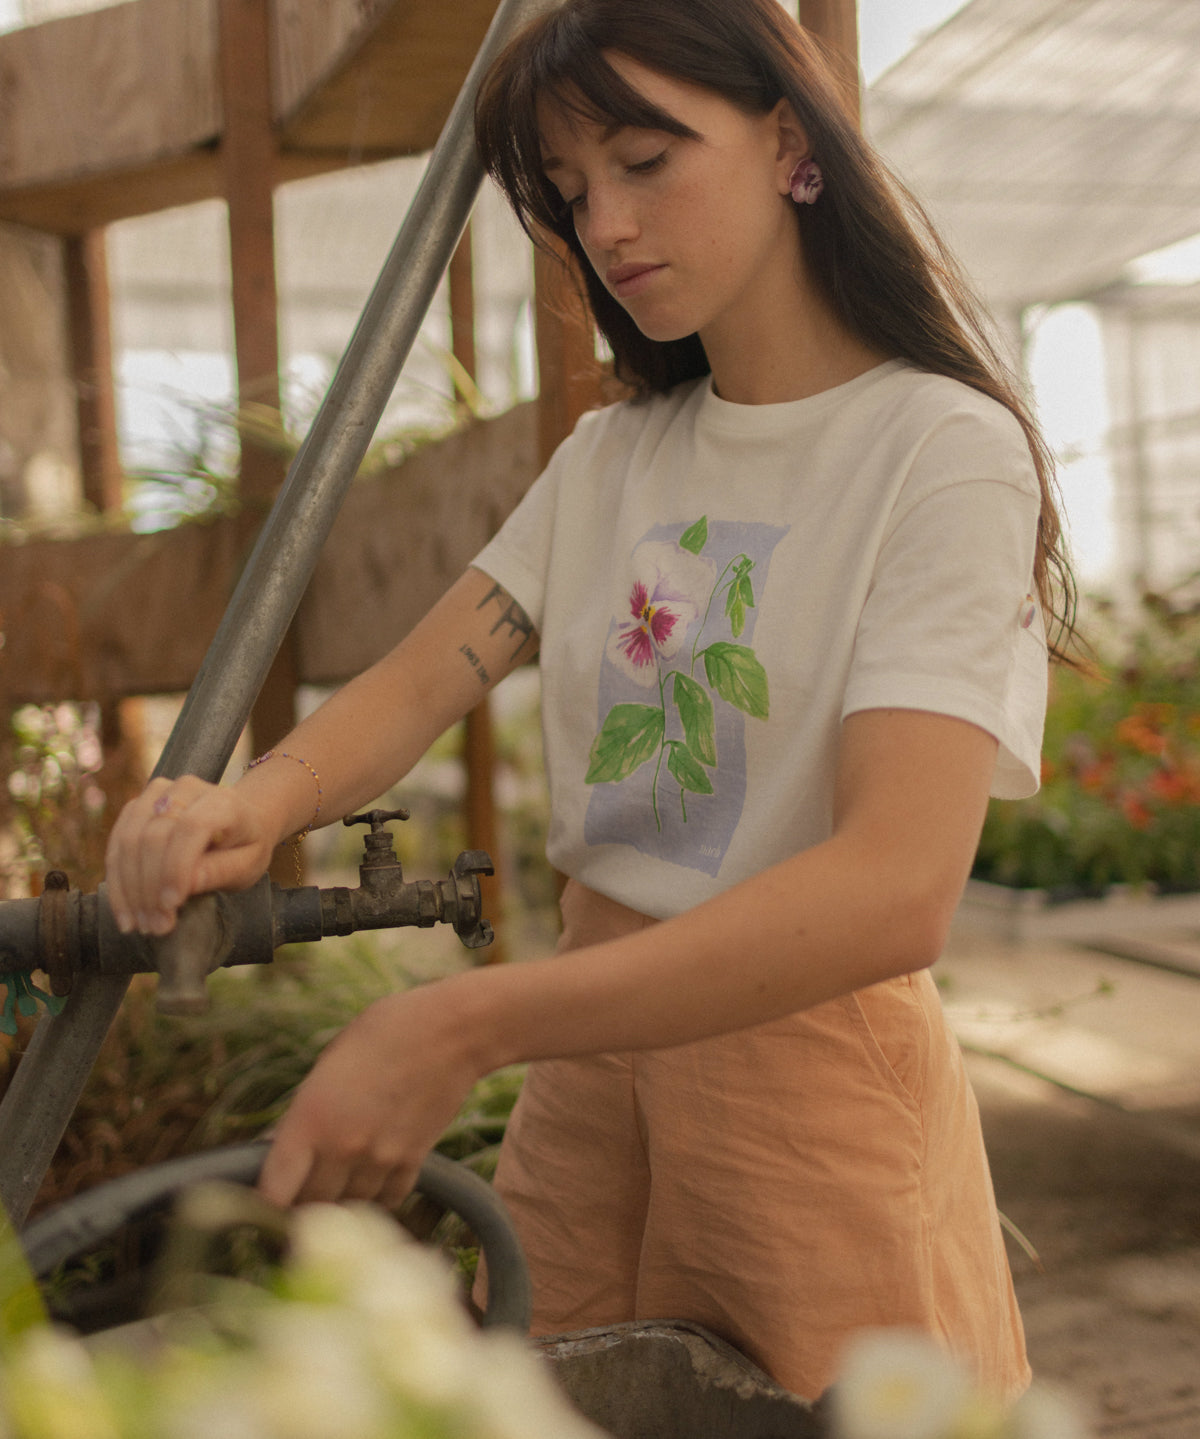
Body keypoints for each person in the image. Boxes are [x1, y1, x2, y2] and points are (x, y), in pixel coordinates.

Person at [104, 0, 1076, 1403]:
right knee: (546, 1406)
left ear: (790, 141)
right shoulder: (614, 459)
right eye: (569, 193)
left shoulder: (937, 450)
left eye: (643, 160)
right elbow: (421, 676)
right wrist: (242, 809)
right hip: (589, 1081)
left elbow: (893, 889)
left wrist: (460, 1023)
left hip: (806, 1096)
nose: (606, 225)